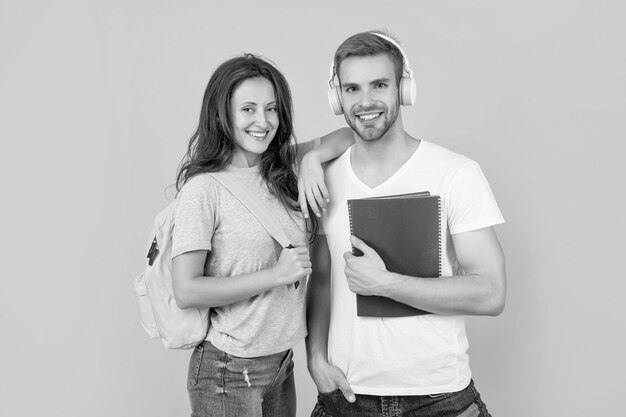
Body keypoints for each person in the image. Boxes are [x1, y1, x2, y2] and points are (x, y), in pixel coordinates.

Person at [304, 31, 507, 417]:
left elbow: (491, 293)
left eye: (379, 85)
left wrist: (386, 284)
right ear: (338, 98)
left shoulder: (455, 173)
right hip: (345, 398)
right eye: (352, 89)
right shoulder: (323, 179)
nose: (365, 102)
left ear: (403, 89)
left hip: (440, 400)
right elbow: (322, 277)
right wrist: (315, 357)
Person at [170, 53, 351, 417]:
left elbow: (348, 134)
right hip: (227, 370)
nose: (263, 121)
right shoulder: (204, 190)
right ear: (222, 114)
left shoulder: (284, 166)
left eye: (271, 109)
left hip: (280, 363)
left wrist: (313, 158)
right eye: (248, 109)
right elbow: (186, 290)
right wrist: (275, 276)